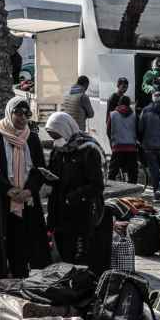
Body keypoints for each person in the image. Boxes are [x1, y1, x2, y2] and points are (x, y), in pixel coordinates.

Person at [0, 96, 51, 277]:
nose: (22, 118)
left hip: (26, 203)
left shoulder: (32, 137)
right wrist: (8, 190)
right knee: (1, 249)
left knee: (23, 249)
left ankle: (21, 287)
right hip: (1, 203)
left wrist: (28, 190)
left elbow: (39, 170)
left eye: (26, 114)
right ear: (8, 112)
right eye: (17, 113)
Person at [44, 111, 111, 274]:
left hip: (82, 213)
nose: (55, 139)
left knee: (81, 258)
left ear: (66, 130)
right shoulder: (58, 150)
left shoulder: (88, 150)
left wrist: (73, 196)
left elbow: (97, 185)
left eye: (56, 135)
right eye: (51, 136)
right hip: (60, 212)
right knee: (64, 254)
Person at [106, 95, 138, 184]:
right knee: (132, 173)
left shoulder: (112, 114)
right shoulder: (134, 115)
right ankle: (132, 192)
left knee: (112, 173)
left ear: (119, 103)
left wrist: (112, 142)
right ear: (129, 104)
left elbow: (108, 131)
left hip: (117, 147)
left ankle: (112, 192)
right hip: (131, 148)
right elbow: (138, 130)